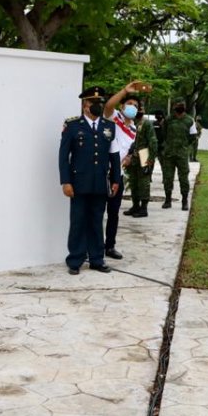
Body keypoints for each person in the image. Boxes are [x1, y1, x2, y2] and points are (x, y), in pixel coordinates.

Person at [59, 86, 121, 275]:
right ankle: (75, 260)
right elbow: (63, 156)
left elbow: (114, 154)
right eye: (93, 102)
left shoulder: (109, 127)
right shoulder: (73, 126)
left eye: (100, 102)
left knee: (96, 221)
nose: (97, 105)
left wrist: (115, 178)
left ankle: (96, 259)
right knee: (78, 221)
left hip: (99, 183)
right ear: (84, 104)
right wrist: (66, 181)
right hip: (78, 183)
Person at [103, 80, 150, 258]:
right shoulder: (114, 117)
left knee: (113, 213)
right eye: (129, 104)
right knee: (98, 212)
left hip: (118, 175)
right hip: (102, 172)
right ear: (122, 106)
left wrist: (130, 158)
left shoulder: (134, 129)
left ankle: (110, 246)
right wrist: (125, 91)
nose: (132, 107)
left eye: (135, 106)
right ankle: (94, 245)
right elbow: (108, 105)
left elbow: (129, 149)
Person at [120, 104, 157, 219]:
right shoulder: (132, 123)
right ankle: (135, 206)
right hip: (132, 156)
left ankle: (144, 208)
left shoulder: (146, 124)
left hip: (144, 154)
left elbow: (153, 142)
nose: (139, 111)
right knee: (133, 182)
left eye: (141, 109)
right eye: (138, 109)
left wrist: (150, 160)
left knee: (144, 182)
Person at [160, 101, 197, 210]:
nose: (180, 107)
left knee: (184, 178)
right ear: (174, 107)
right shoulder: (168, 120)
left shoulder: (189, 120)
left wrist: (184, 145)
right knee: (167, 178)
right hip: (169, 154)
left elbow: (193, 136)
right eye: (178, 105)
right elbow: (164, 133)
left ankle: (184, 201)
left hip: (182, 154)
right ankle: (167, 200)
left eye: (182, 105)